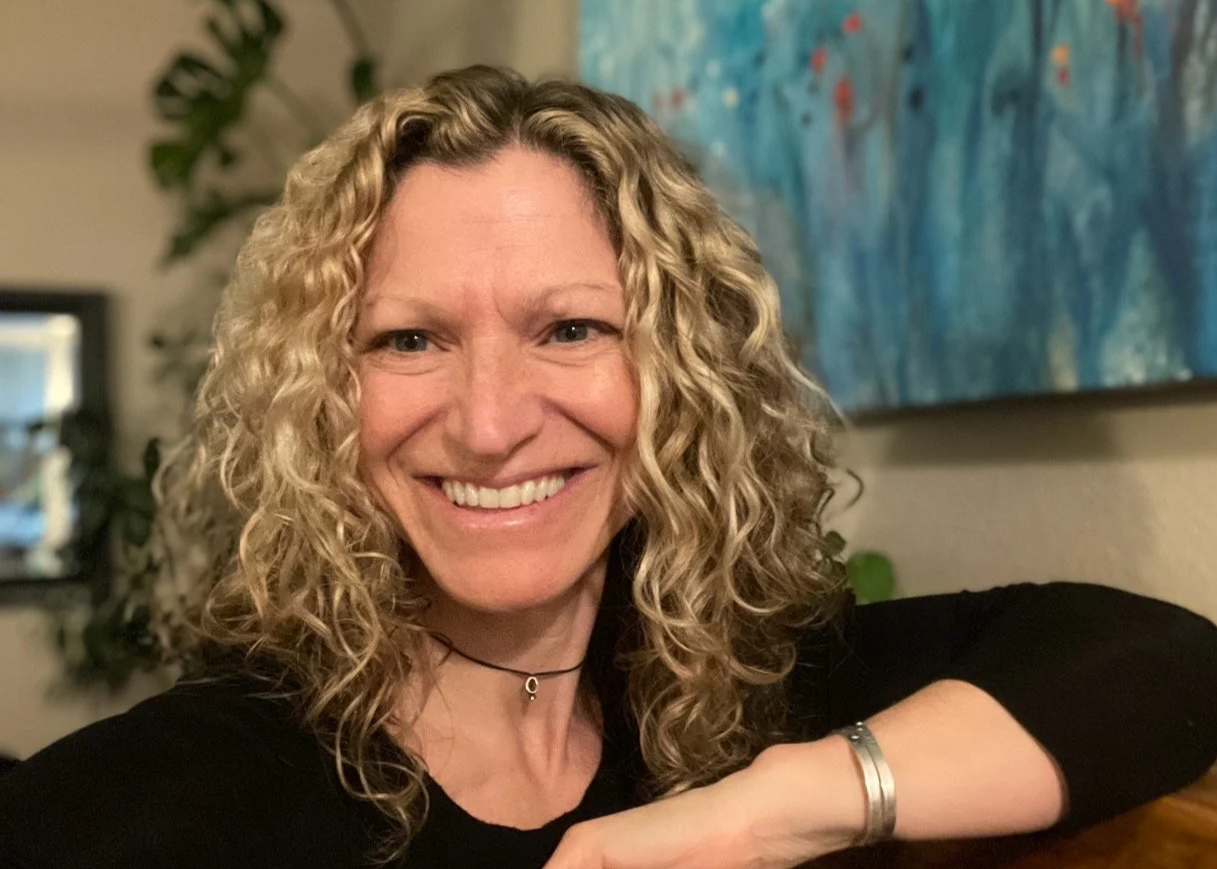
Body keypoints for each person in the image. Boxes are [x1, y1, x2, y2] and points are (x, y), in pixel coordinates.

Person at [2, 65, 1216, 869]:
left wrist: (763, 809)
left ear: (678, 373)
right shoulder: (192, 789)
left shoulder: (749, 691)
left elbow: (1163, 664)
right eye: (409, 339)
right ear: (326, 391)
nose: (488, 424)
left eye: (570, 328)